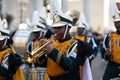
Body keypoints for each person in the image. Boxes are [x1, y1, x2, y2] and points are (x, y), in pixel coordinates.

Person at [34, 11, 93, 80]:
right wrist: (41, 52)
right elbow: (42, 64)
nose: (56, 31)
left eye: (59, 28)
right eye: (55, 28)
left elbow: (71, 66)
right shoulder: (52, 42)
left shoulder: (75, 44)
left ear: (68, 28)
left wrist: (52, 51)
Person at [102, 12, 120, 80]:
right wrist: (106, 55)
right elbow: (105, 57)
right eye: (115, 23)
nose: (117, 25)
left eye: (119, 22)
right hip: (112, 66)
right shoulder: (109, 36)